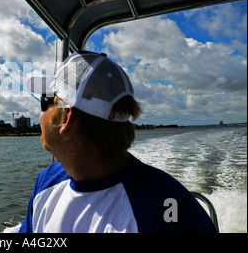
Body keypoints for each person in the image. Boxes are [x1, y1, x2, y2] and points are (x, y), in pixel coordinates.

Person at [19, 51, 216, 233]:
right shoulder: (45, 181)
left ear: (66, 118)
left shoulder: (170, 210)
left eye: (45, 102)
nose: (40, 115)